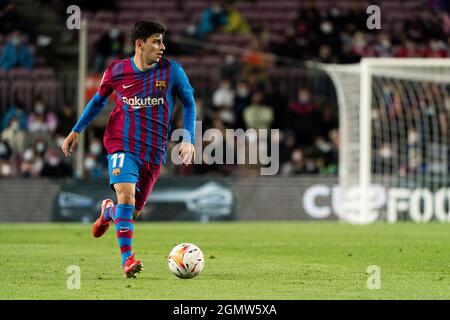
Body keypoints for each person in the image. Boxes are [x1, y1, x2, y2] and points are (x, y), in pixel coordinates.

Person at [61, 21, 196, 278]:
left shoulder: (173, 72)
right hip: (121, 143)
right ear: (140, 44)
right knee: (126, 195)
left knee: (131, 211)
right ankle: (127, 261)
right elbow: (97, 101)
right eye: (156, 41)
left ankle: (107, 212)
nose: (162, 47)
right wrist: (76, 129)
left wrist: (188, 138)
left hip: (154, 151)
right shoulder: (117, 71)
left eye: (162, 41)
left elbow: (189, 103)